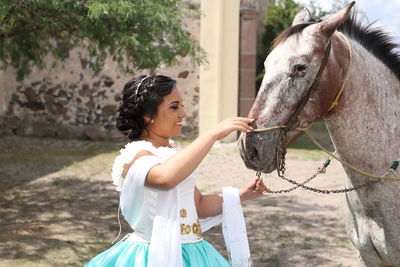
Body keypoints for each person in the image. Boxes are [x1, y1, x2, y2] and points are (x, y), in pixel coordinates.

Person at [85, 74, 269, 267]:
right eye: (174, 107)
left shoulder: (174, 154)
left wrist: (241, 195)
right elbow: (165, 179)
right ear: (148, 115)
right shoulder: (134, 156)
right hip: (151, 256)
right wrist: (212, 135)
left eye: (182, 106)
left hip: (195, 254)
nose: (183, 114)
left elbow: (198, 204)